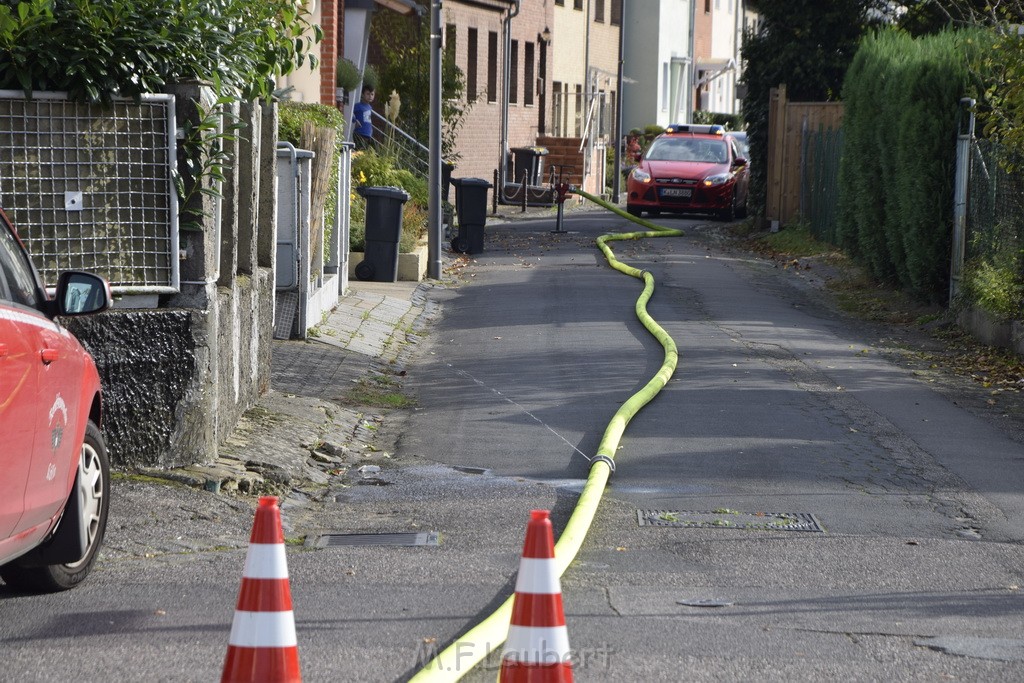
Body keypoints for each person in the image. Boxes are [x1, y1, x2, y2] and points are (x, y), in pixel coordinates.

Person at [352, 85, 376, 149]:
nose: (370, 96)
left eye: (372, 94)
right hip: (359, 133)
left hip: (368, 134)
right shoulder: (358, 106)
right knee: (359, 151)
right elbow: (350, 113)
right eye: (368, 94)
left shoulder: (369, 107)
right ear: (362, 94)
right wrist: (355, 120)